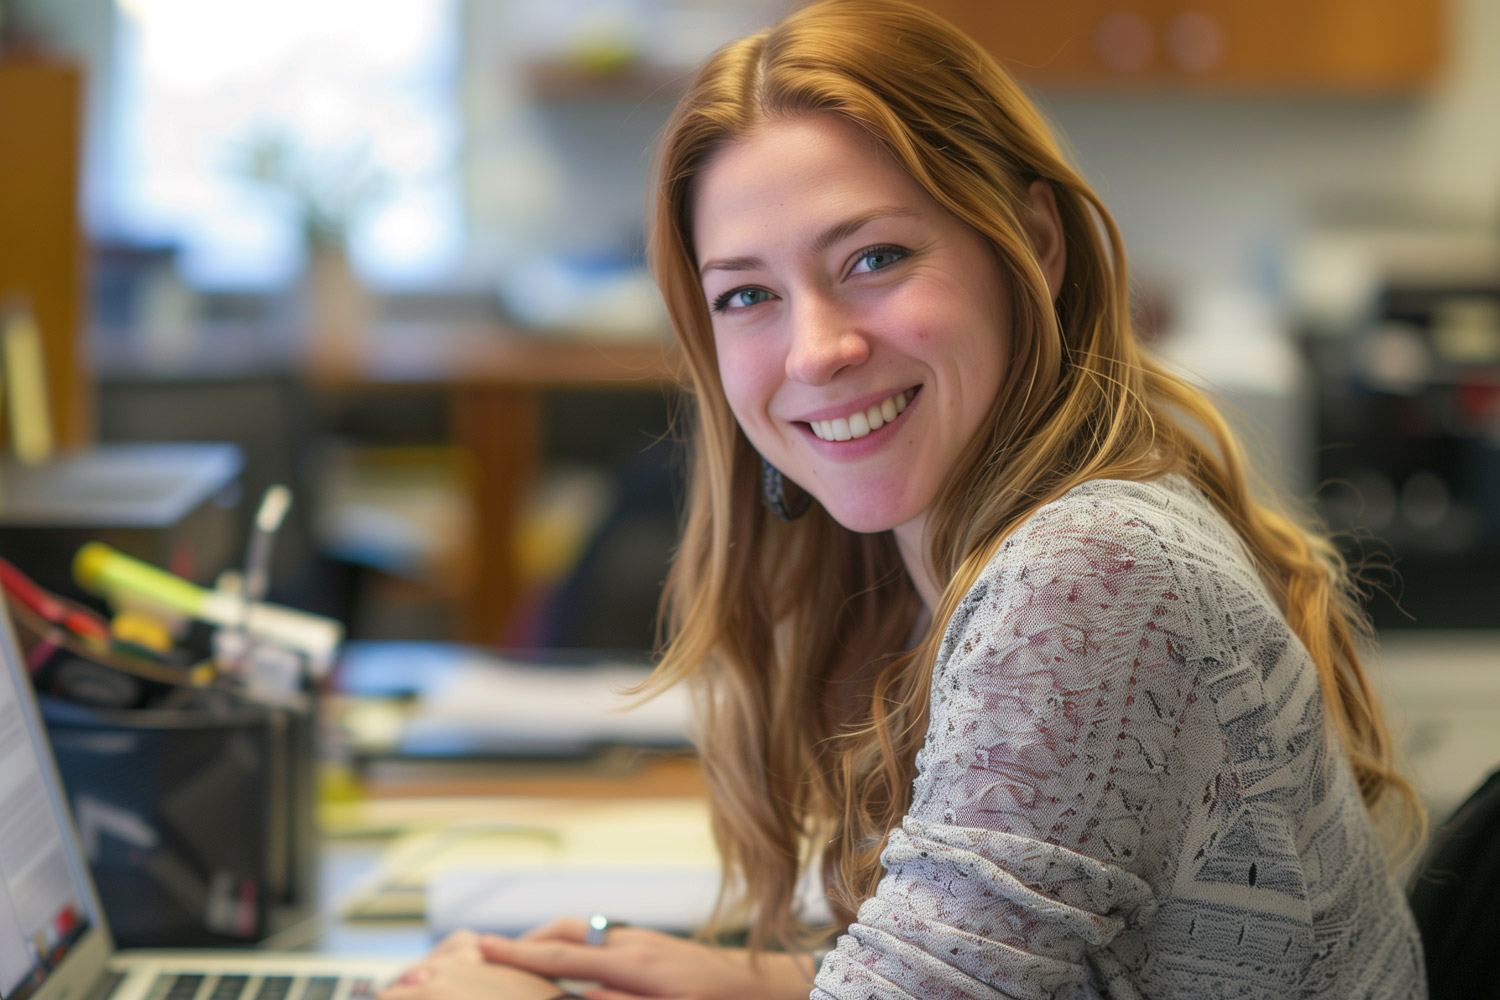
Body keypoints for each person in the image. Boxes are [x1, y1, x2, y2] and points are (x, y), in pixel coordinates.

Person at [379, 1, 1428, 997]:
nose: (817, 349)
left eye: (875, 258)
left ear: (1034, 248)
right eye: (748, 294)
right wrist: (775, 978)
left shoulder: (1089, 572)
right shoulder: (988, 545)